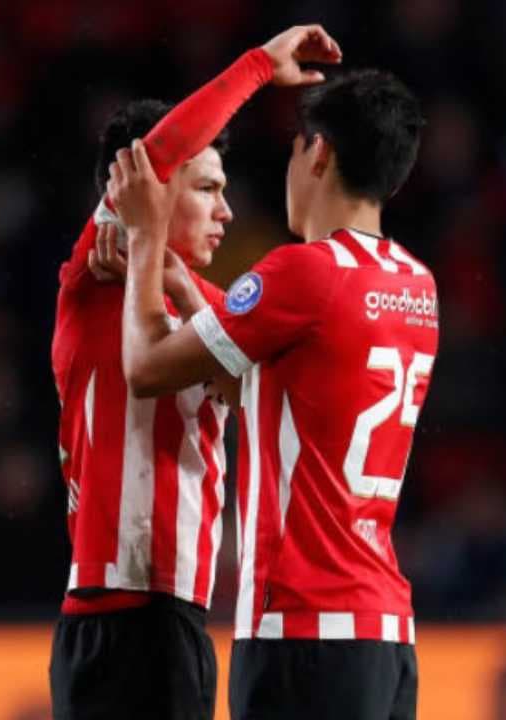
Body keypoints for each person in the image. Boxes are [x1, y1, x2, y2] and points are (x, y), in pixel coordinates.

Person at [111, 68, 433, 719]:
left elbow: (146, 368)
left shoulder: (302, 272)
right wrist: (184, 288)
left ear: (318, 153)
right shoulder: (416, 285)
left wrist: (144, 239)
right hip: (386, 635)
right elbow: (271, 380)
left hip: (303, 630)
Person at [49, 25, 342, 719]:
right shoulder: (96, 274)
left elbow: (266, 383)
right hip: (118, 613)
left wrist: (178, 281)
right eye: (207, 187)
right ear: (146, 193)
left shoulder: (211, 309)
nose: (226, 211)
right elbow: (155, 153)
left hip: (175, 617)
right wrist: (258, 67)